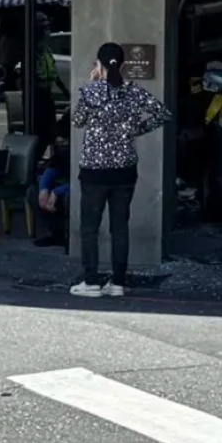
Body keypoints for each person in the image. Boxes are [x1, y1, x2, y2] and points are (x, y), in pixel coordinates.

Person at [70, 42, 172, 298]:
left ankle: (91, 281)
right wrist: (135, 130)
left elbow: (77, 121)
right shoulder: (134, 92)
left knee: (90, 228)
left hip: (94, 171)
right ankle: (117, 282)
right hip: (125, 170)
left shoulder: (91, 92)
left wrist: (93, 82)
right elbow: (163, 114)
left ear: (99, 64)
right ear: (123, 64)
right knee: (120, 227)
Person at [34, 136, 70, 251]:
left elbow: (80, 182)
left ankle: (67, 236)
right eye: (58, 143)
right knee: (33, 192)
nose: (61, 146)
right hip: (62, 183)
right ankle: (54, 234)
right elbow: (51, 170)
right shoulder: (61, 156)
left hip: (80, 188)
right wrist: (43, 189)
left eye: (64, 143)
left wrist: (56, 192)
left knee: (68, 198)